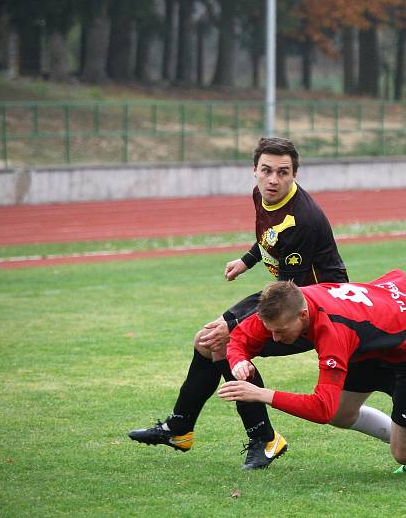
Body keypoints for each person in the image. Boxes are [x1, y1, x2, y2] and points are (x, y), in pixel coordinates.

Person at [129, 137, 348, 469]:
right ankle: (180, 428)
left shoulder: (303, 219)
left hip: (314, 313)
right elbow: (268, 239)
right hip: (290, 300)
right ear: (255, 170)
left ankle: (266, 439)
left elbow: (285, 292)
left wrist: (231, 320)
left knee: (222, 339)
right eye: (266, 171)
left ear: (295, 174)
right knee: (207, 341)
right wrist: (247, 260)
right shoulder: (263, 195)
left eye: (283, 173)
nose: (273, 179)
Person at [217, 269, 406, 475]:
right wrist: (239, 359)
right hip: (370, 345)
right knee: (342, 415)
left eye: (281, 332)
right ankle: (405, 437)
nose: (276, 339)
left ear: (303, 315)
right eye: (272, 332)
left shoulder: (333, 333)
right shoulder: (285, 303)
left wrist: (261, 394)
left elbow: (321, 408)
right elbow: (240, 337)